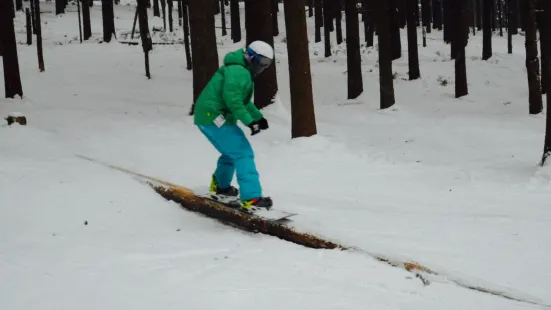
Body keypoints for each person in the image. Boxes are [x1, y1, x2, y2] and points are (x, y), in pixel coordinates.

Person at [193, 41, 275, 211]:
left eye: (267, 64)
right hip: (213, 116)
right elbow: (234, 101)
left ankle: (221, 187)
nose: (263, 67)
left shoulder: (239, 70)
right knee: (243, 153)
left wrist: (258, 118)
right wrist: (249, 122)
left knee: (231, 153)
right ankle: (251, 198)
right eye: (261, 63)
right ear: (251, 57)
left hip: (209, 116)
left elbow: (243, 101)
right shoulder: (238, 71)